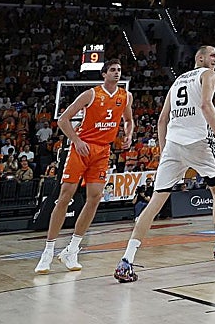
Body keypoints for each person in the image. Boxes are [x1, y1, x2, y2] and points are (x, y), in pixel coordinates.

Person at [114, 46, 215, 283]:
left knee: (154, 204)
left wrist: (164, 152)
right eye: (212, 55)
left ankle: (126, 261)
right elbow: (205, 105)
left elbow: (162, 120)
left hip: (172, 144)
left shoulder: (177, 81)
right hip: (198, 142)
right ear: (199, 58)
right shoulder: (208, 75)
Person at [35, 60, 133, 274]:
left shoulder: (125, 96)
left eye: (119, 70)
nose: (117, 73)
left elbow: (129, 120)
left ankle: (72, 249)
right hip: (81, 148)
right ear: (104, 74)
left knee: (95, 197)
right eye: (113, 70)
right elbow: (63, 120)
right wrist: (76, 141)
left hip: (103, 151)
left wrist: (128, 133)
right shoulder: (90, 94)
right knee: (65, 196)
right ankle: (48, 252)